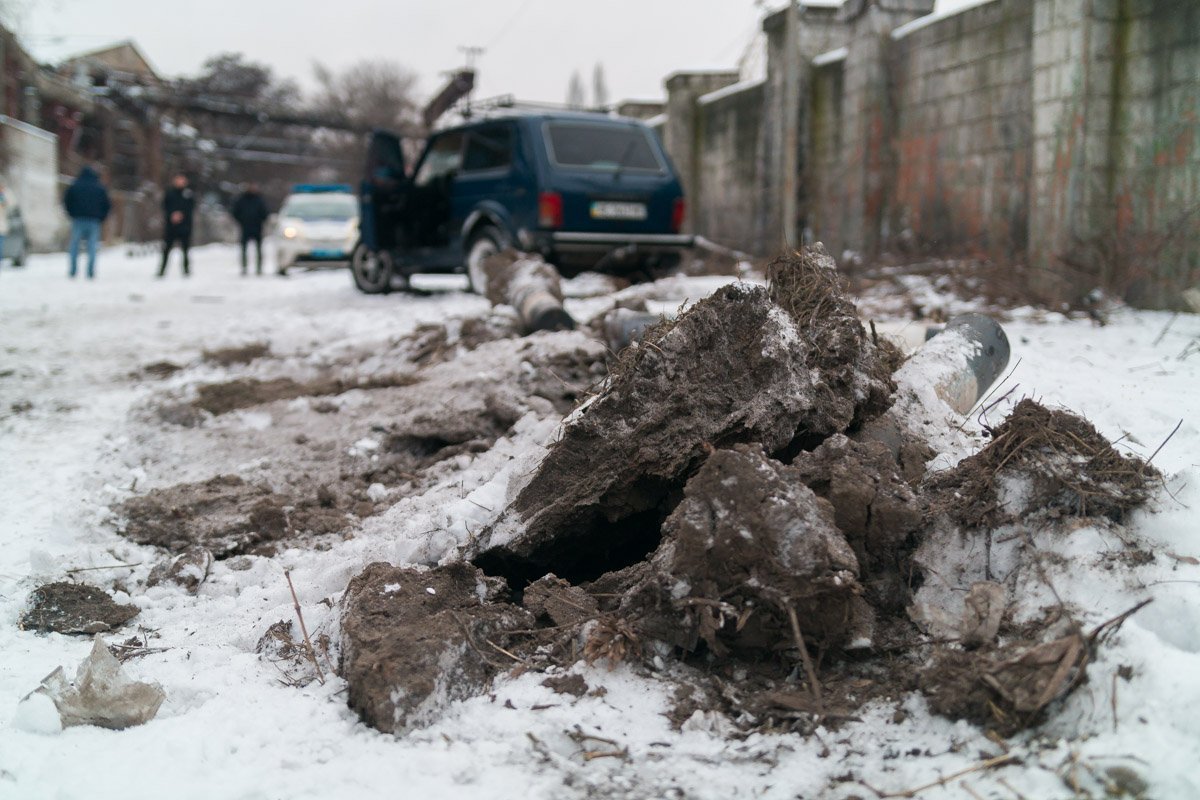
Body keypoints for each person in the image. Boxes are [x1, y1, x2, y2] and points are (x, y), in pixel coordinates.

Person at [63, 166, 112, 279]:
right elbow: (107, 205)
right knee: (92, 247)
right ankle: (90, 272)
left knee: (74, 246)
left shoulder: (75, 186)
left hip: (78, 219)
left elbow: (67, 201)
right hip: (94, 221)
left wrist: (71, 214)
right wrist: (101, 217)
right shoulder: (99, 188)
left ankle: (73, 270)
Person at [160, 173, 195, 277]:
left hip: (185, 227)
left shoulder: (188, 194)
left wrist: (181, 215)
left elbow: (191, 208)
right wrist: (172, 214)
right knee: (167, 249)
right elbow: (165, 206)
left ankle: (186, 270)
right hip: (171, 227)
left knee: (185, 250)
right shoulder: (170, 193)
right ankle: (162, 270)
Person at [231, 183, 269, 275]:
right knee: (244, 249)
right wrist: (242, 221)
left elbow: (265, 213)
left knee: (258, 249)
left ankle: (259, 268)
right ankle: (244, 267)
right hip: (245, 227)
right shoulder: (242, 200)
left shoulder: (259, 200)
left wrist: (260, 220)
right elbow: (235, 212)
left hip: (257, 228)